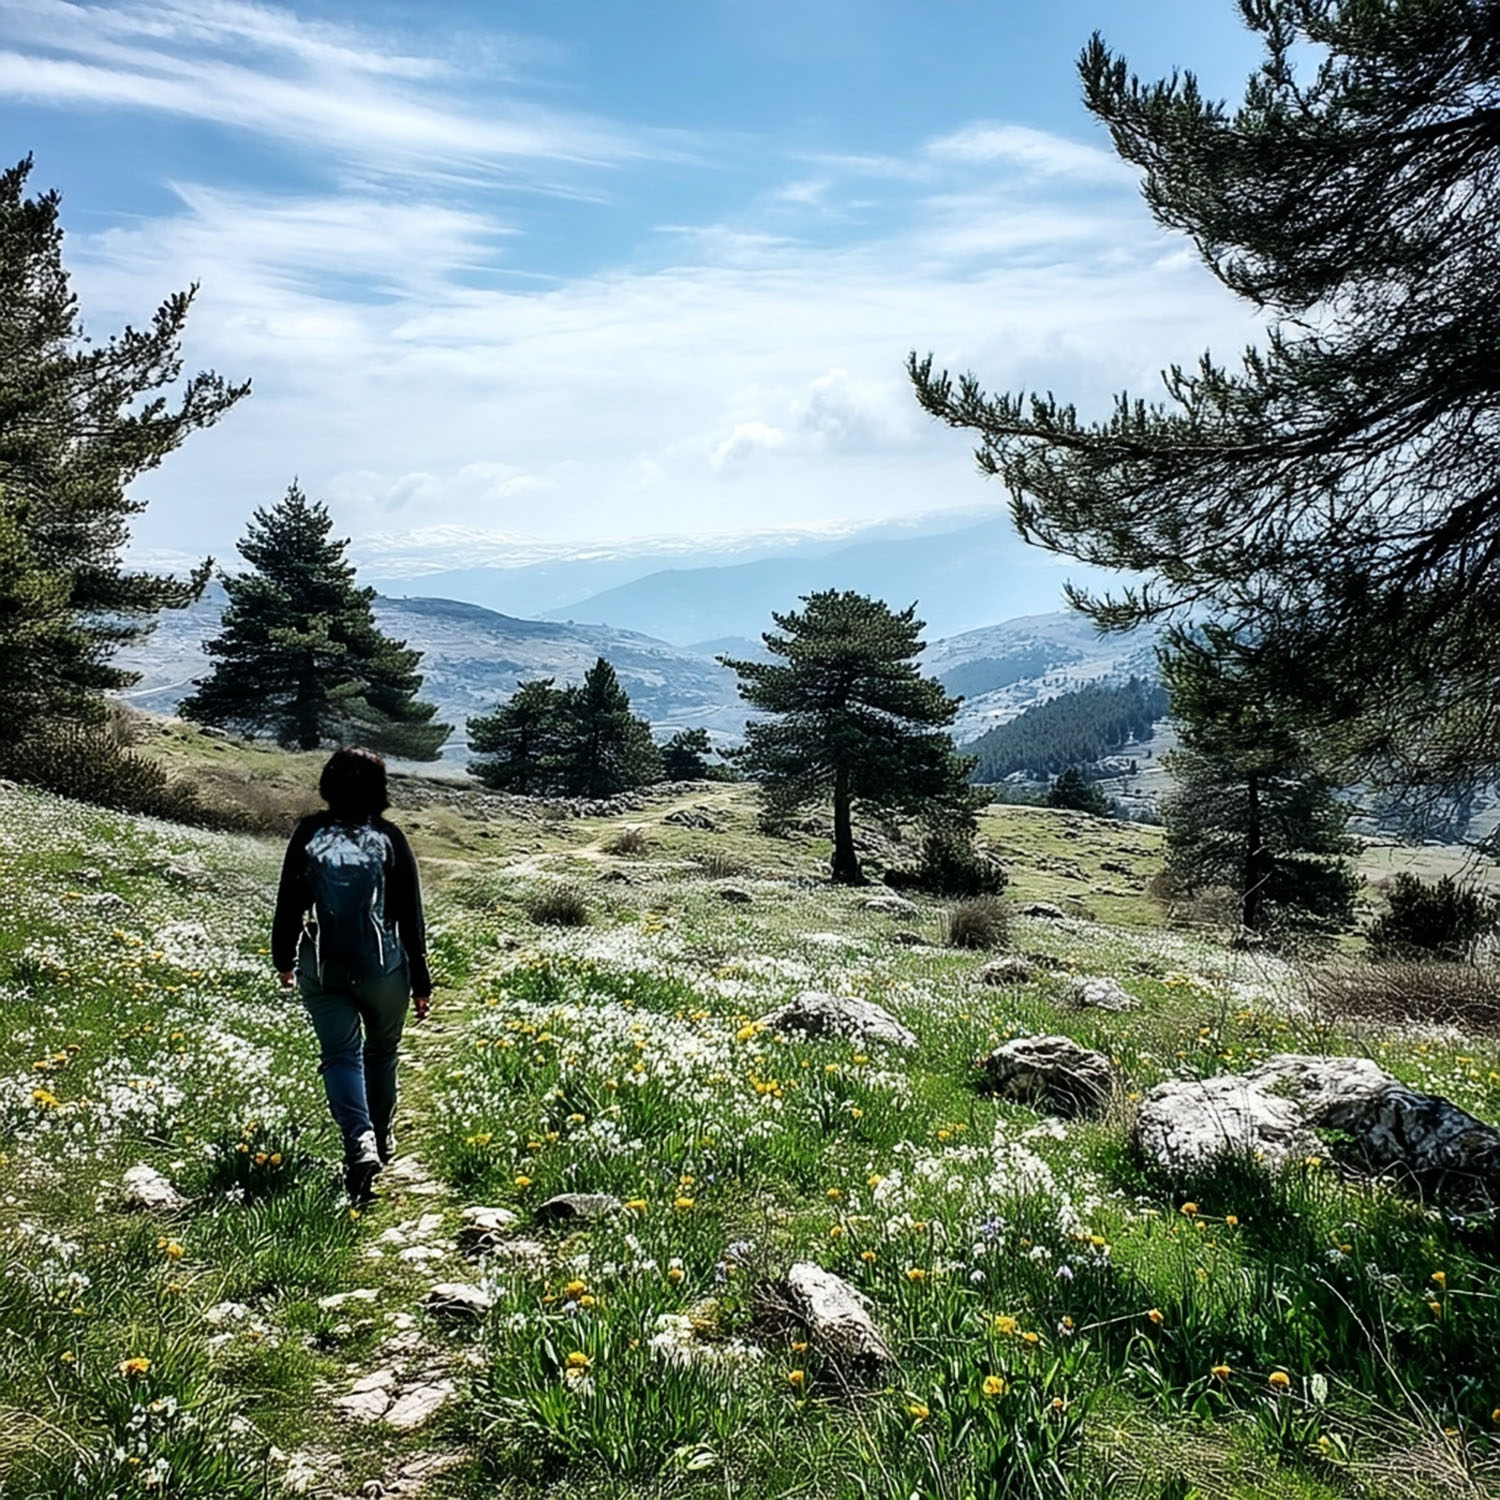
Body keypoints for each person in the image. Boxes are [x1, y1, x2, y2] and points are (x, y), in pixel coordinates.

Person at [272, 747, 432, 1200]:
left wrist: (283, 959)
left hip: (324, 967)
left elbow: (290, 903)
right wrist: (421, 982)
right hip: (384, 969)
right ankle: (380, 1137)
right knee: (381, 1053)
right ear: (379, 789)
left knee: (340, 1056)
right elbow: (409, 917)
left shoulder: (309, 833)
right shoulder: (390, 837)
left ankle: (359, 1142)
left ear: (328, 784)